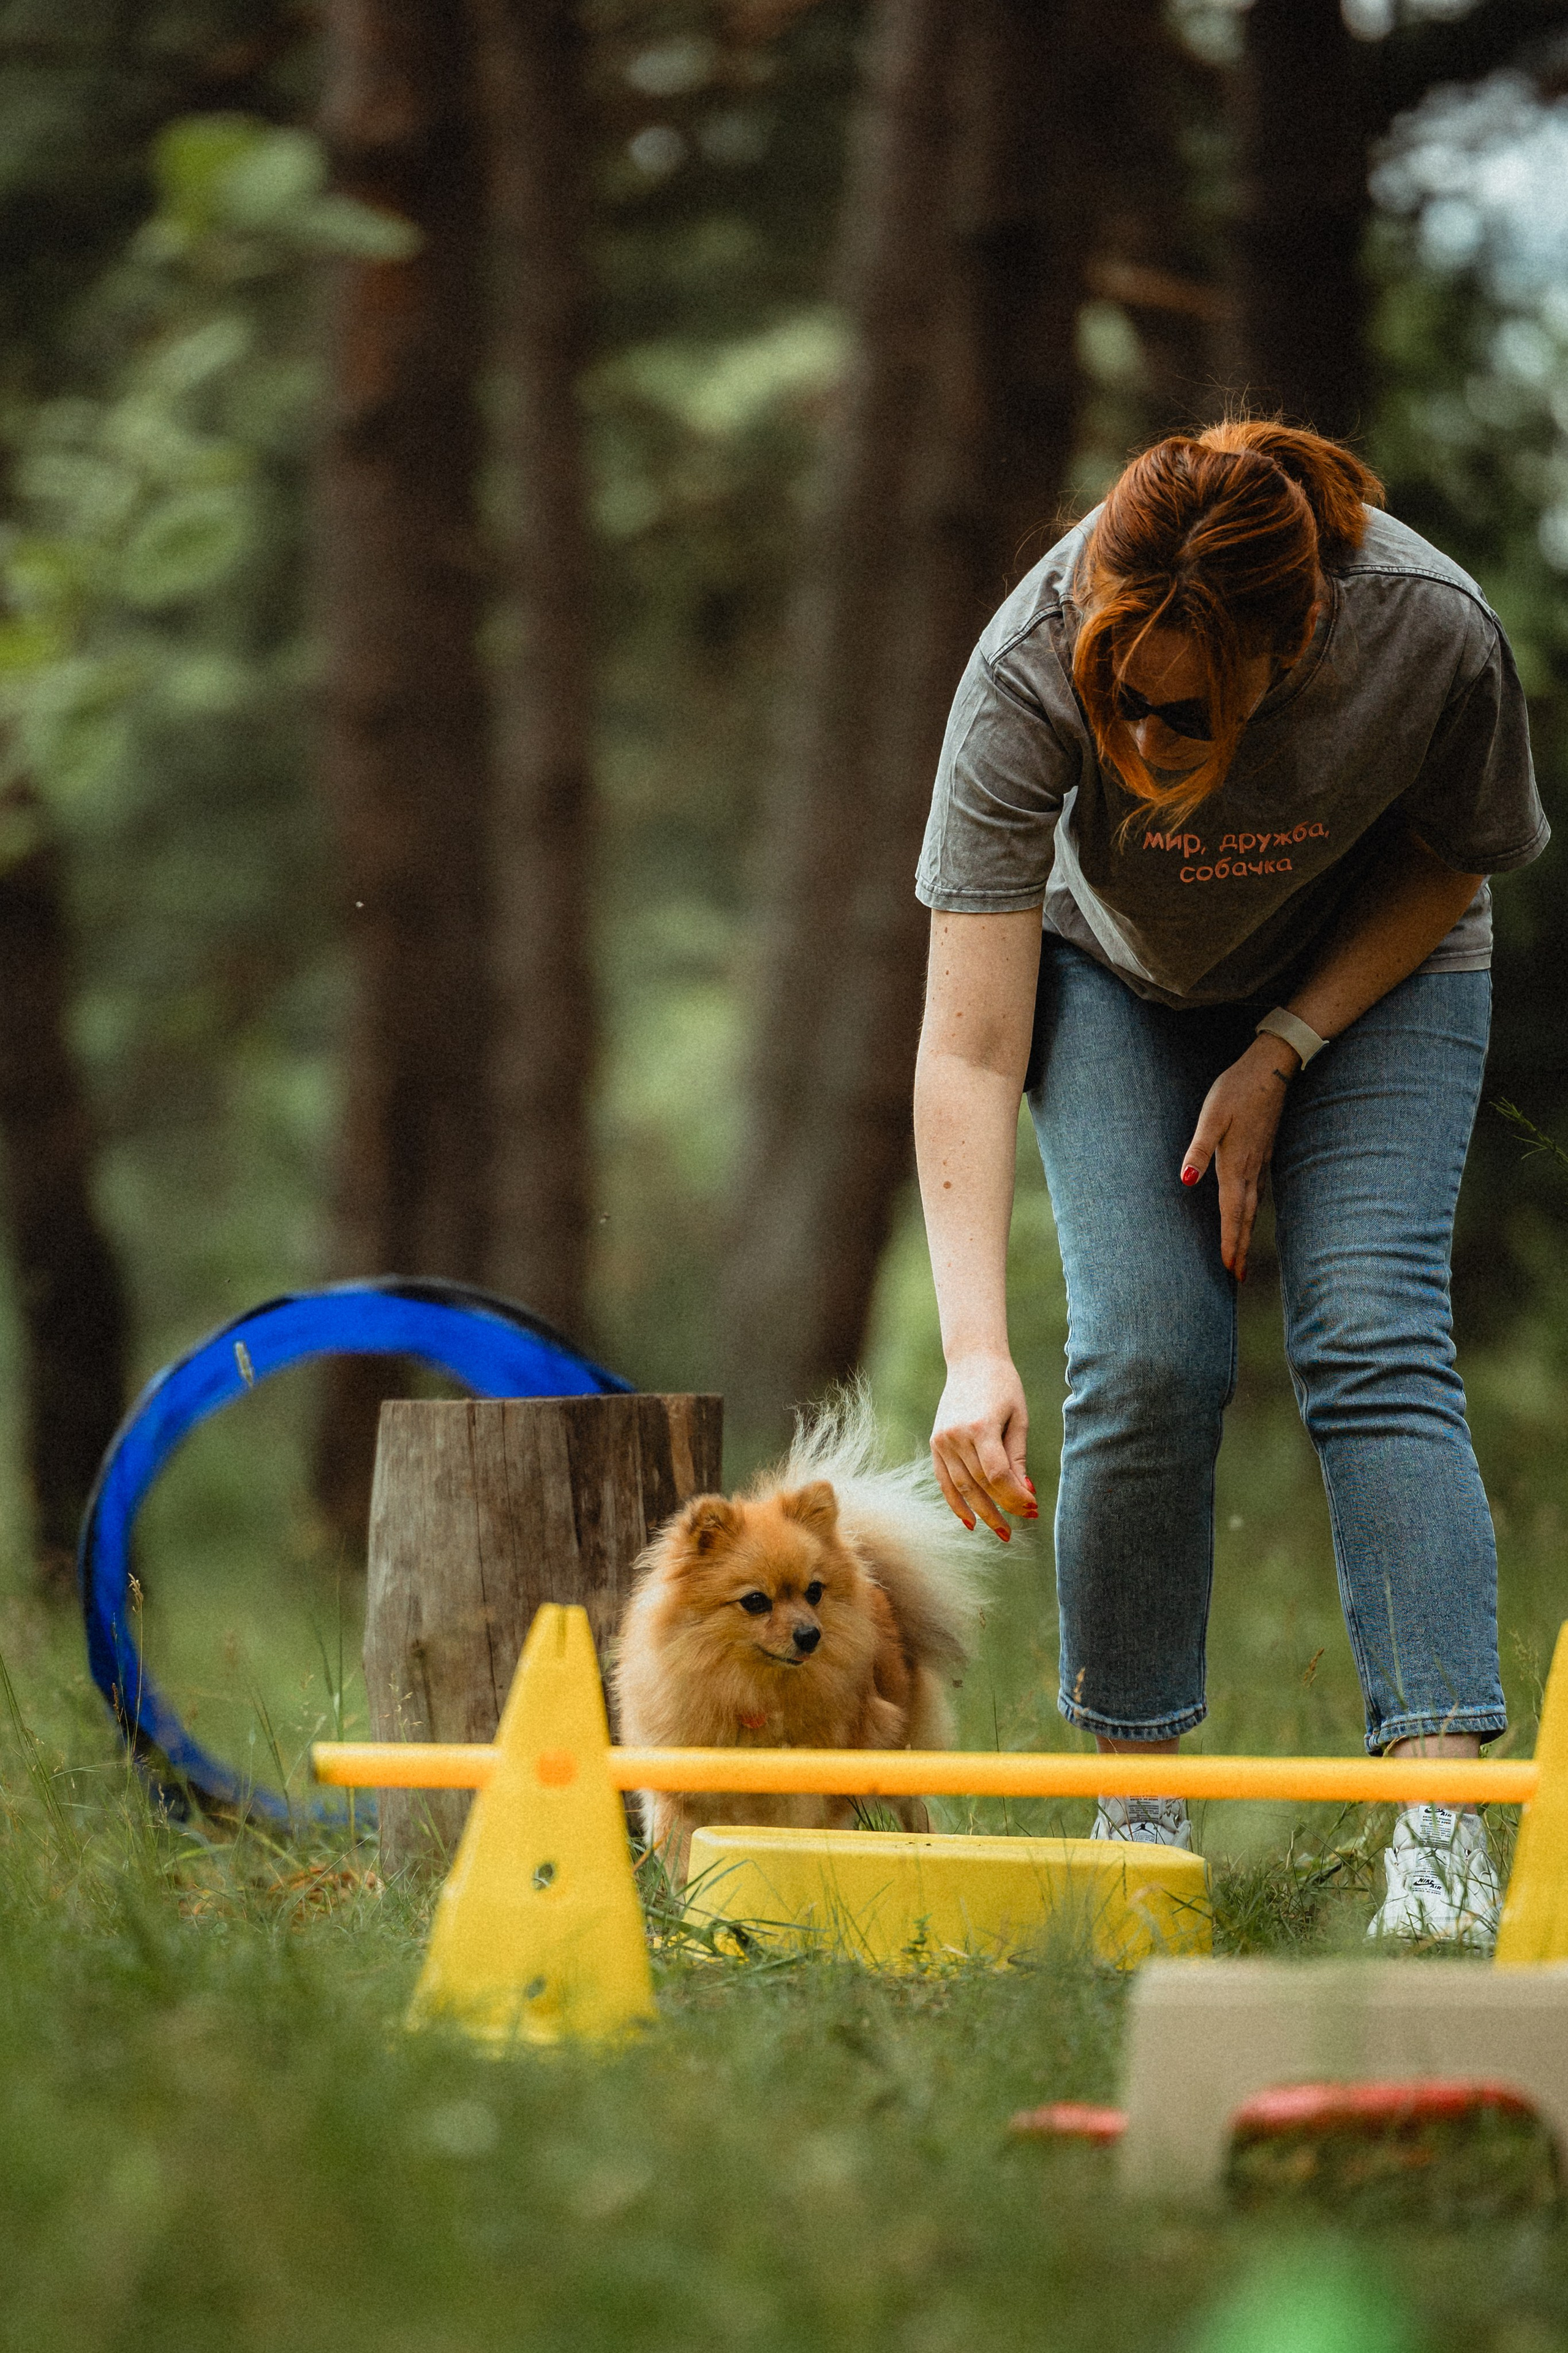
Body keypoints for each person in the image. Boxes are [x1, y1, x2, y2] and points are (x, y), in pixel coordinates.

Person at [913, 418, 1547, 1945]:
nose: (1136, 741)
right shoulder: (1024, 664)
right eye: (1116, 701)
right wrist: (972, 1350)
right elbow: (968, 1046)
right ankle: (1139, 1832)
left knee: (1369, 1330)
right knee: (1142, 1354)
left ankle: (1439, 1842)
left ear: (1291, 642)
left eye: (1180, 712)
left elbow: (1456, 854)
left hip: (1373, 975)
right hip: (1117, 977)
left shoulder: (1427, 631)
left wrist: (1282, 1045)